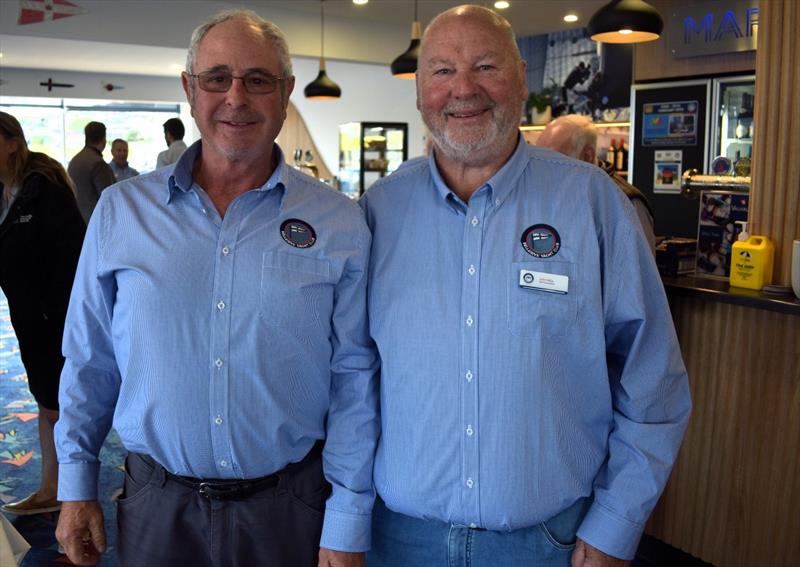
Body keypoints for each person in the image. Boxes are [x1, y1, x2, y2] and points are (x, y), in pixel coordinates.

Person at [360, 6, 691, 567]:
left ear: (520, 78)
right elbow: (354, 377)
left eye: (485, 65)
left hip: (548, 542)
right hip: (399, 540)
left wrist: (617, 523)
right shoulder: (378, 213)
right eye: (441, 71)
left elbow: (652, 381)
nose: (463, 89)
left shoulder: (592, 204)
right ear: (419, 94)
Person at [55, 9, 378, 567]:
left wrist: (348, 518)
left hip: (290, 506)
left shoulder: (338, 222)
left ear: (285, 93)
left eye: (258, 80)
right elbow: (90, 358)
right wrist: (76, 482)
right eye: (217, 78)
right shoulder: (121, 212)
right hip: (158, 504)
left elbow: (353, 376)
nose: (237, 96)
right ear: (189, 88)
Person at [0, 112, 85, 516]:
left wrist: (62, 316)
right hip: (30, 315)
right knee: (47, 402)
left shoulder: (44, 189)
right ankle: (54, 488)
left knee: (59, 404)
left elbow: (71, 257)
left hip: (57, 316)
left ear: (12, 142)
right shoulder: (6, 190)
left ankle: (64, 492)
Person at [537, 114, 657, 254]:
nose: (543, 168)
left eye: (554, 159)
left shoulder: (624, 201)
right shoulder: (548, 194)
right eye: (539, 158)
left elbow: (640, 268)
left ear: (587, 156)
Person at [67, 121, 116, 223]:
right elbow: (108, 197)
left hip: (76, 220)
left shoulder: (74, 161)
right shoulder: (98, 163)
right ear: (104, 140)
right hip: (95, 221)